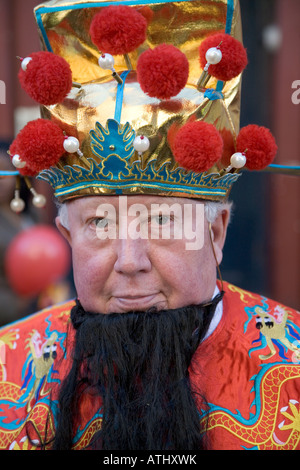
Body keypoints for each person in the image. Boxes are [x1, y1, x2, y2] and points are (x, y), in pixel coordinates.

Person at [0, 0, 299, 451]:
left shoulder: (292, 366)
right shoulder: (8, 365)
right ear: (67, 237)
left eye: (161, 221)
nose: (130, 262)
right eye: (99, 225)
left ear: (216, 233)